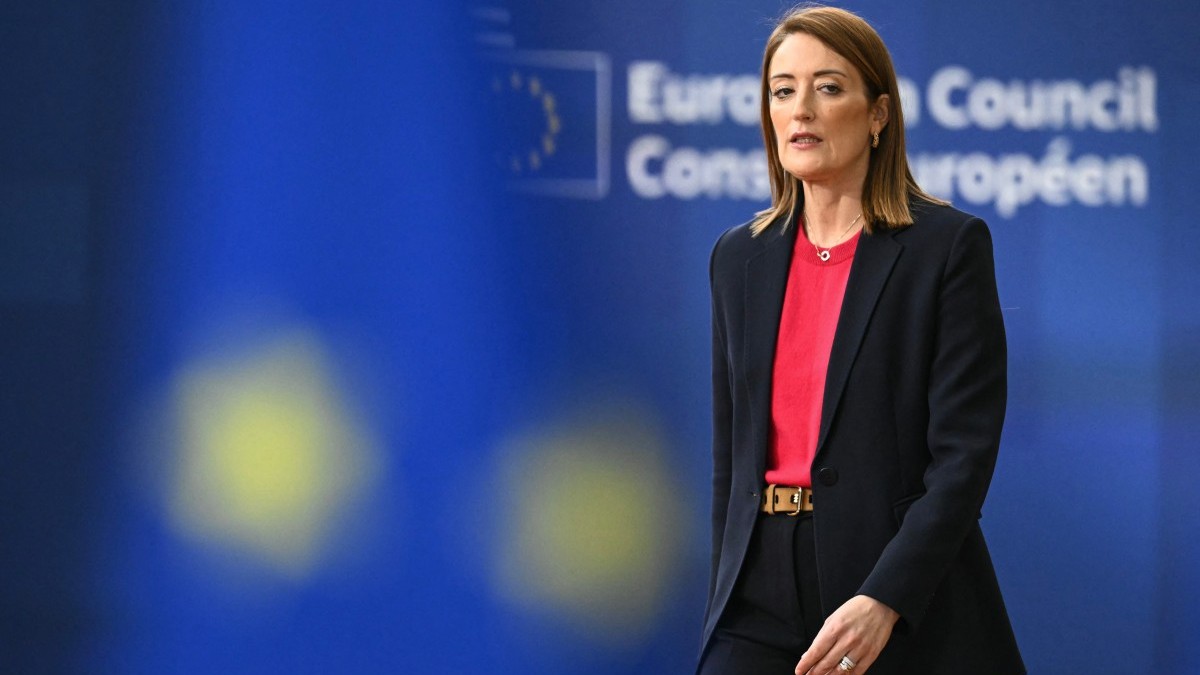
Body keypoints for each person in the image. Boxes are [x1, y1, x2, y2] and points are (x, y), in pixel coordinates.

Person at [698, 6, 1024, 675]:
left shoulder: (947, 247)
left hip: (892, 585)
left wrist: (887, 595)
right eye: (783, 90)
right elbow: (730, 457)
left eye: (828, 87)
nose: (801, 110)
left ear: (878, 114)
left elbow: (963, 459)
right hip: (757, 591)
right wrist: (726, 587)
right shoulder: (738, 258)